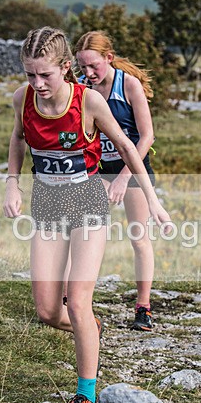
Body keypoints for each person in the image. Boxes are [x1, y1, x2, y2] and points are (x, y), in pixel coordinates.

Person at [2, 26, 171, 403]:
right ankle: (92, 331)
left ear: (65, 67)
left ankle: (87, 396)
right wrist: (11, 184)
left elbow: (130, 147)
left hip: (87, 200)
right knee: (47, 311)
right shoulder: (22, 98)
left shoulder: (89, 101)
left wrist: (153, 200)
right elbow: (17, 139)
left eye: (45, 74)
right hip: (46, 202)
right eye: (30, 74)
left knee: (78, 301)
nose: (38, 83)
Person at [75, 31, 158, 332]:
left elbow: (147, 136)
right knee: (87, 235)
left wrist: (124, 177)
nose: (88, 73)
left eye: (94, 65)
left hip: (133, 168)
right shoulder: (83, 88)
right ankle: (78, 304)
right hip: (98, 168)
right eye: (82, 67)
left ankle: (144, 308)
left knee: (138, 237)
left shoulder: (129, 85)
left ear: (108, 58)